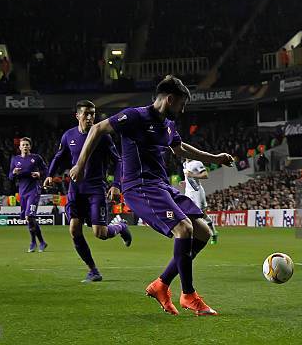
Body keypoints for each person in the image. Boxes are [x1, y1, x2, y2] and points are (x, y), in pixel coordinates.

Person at [69, 75, 234, 316]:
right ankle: (188, 295)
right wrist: (81, 164)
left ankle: (161, 285)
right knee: (184, 229)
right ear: (169, 99)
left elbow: (180, 149)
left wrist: (214, 158)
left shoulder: (168, 124)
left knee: (203, 231)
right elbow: (97, 128)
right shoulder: (135, 116)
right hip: (139, 187)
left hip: (161, 185)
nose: (183, 109)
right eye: (181, 104)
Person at [45, 100, 132, 282]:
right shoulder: (68, 136)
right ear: (78, 115)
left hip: (95, 190)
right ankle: (93, 270)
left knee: (100, 233)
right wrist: (49, 175)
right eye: (86, 113)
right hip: (75, 190)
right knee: (74, 229)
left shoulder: (103, 136)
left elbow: (119, 161)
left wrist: (116, 184)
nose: (91, 117)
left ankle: (120, 226)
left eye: (93, 113)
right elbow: (59, 157)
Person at [9, 137, 48, 253]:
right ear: (19, 147)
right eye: (23, 145)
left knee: (29, 216)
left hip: (34, 190)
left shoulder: (36, 158)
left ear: (30, 147)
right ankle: (41, 242)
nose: (25, 146)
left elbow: (46, 171)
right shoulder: (15, 160)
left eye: (27, 145)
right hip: (22, 192)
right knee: (29, 219)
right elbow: (10, 177)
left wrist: (39, 174)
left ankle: (34, 242)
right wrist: (13, 173)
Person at [183, 158, 218, 244]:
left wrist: (193, 175)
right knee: (188, 214)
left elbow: (205, 175)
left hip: (197, 192)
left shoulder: (197, 163)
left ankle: (212, 233)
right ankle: (194, 236)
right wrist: (184, 182)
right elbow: (188, 178)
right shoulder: (184, 164)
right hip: (188, 192)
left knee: (200, 215)